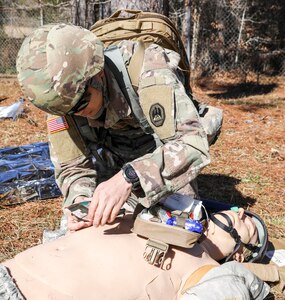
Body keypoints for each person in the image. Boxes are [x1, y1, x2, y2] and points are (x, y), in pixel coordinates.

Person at [16, 23, 214, 231]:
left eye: (82, 103)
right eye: (68, 111)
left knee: (177, 227)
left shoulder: (150, 71)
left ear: (98, 75)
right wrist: (80, 200)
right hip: (116, 151)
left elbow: (192, 142)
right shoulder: (65, 99)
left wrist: (128, 177)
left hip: (162, 149)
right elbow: (71, 167)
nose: (77, 114)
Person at [0, 208, 271, 300]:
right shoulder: (161, 217)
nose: (241, 213)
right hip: (7, 270)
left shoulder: (210, 272)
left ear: (239, 255)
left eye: (249, 225)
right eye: (241, 210)